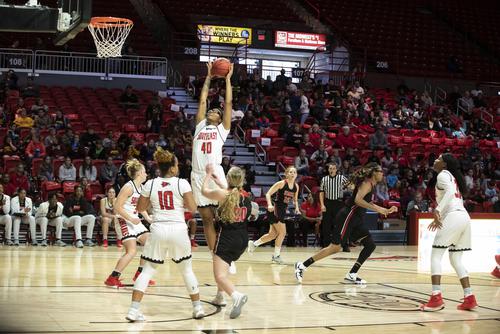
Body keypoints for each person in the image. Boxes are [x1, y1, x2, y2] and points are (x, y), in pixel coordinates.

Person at [126, 148, 205, 321]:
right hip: (178, 229)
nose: (178, 167)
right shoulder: (182, 183)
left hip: (158, 228)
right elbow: (193, 209)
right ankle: (198, 307)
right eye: (176, 165)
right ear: (172, 168)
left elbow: (140, 209)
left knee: (147, 271)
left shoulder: (150, 184)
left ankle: (133, 310)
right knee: (186, 270)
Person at [294, 163, 398, 284]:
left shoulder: (371, 185)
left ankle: (352, 273)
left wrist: (384, 209)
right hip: (348, 217)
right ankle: (302, 266)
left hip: (356, 219)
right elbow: (357, 200)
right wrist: (379, 209)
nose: (382, 174)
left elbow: (367, 202)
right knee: (335, 247)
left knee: (370, 245)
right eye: (380, 171)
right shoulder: (367, 184)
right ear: (374, 172)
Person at [420, 153, 478, 311]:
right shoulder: (451, 176)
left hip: (453, 216)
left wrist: (437, 210)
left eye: (439, 159)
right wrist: (440, 213)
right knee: (455, 259)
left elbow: (451, 193)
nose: (435, 161)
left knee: (436, 256)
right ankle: (469, 297)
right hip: (463, 217)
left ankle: (436, 297)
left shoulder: (443, 175)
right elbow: (452, 195)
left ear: (444, 164)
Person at [190, 61, 233, 253]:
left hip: (215, 173)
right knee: (206, 218)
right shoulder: (200, 126)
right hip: (198, 175)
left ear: (220, 116)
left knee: (222, 216)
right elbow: (202, 100)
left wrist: (228, 80)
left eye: (216, 111)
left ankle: (225, 250)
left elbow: (229, 103)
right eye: (210, 110)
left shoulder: (222, 130)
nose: (211, 111)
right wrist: (208, 76)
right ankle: (214, 253)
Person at [202, 164, 254, 319]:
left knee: (219, 276)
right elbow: (232, 193)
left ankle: (236, 295)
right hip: (243, 239)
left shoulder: (223, 194)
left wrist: (208, 174)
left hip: (227, 238)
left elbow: (204, 191)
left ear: (228, 179)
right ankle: (219, 296)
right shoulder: (246, 196)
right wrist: (219, 182)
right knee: (223, 271)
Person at [104, 159, 154, 288]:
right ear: (139, 173)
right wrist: (131, 219)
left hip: (133, 219)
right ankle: (113, 277)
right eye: (144, 172)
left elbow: (140, 207)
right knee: (132, 251)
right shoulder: (128, 187)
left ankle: (140, 274)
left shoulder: (142, 188)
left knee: (150, 243)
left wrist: (148, 218)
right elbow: (116, 207)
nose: (146, 174)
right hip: (123, 220)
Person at [248, 166, 300, 264]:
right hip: (275, 209)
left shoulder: (296, 186)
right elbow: (268, 194)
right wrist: (269, 204)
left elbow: (295, 199)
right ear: (286, 174)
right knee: (282, 233)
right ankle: (276, 256)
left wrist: (297, 207)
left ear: (296, 175)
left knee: (273, 235)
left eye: (294, 172)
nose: (292, 174)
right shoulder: (281, 184)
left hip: (282, 210)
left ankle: (254, 244)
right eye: (290, 172)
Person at [319, 163, 349, 251]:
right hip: (328, 203)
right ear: (328, 170)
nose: (332, 170)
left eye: (333, 168)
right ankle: (326, 245)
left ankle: (344, 245)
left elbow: (351, 186)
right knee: (326, 225)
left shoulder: (341, 178)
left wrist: (352, 184)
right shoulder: (324, 179)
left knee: (341, 224)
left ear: (336, 170)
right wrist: (322, 204)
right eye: (330, 168)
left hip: (339, 203)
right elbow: (321, 192)